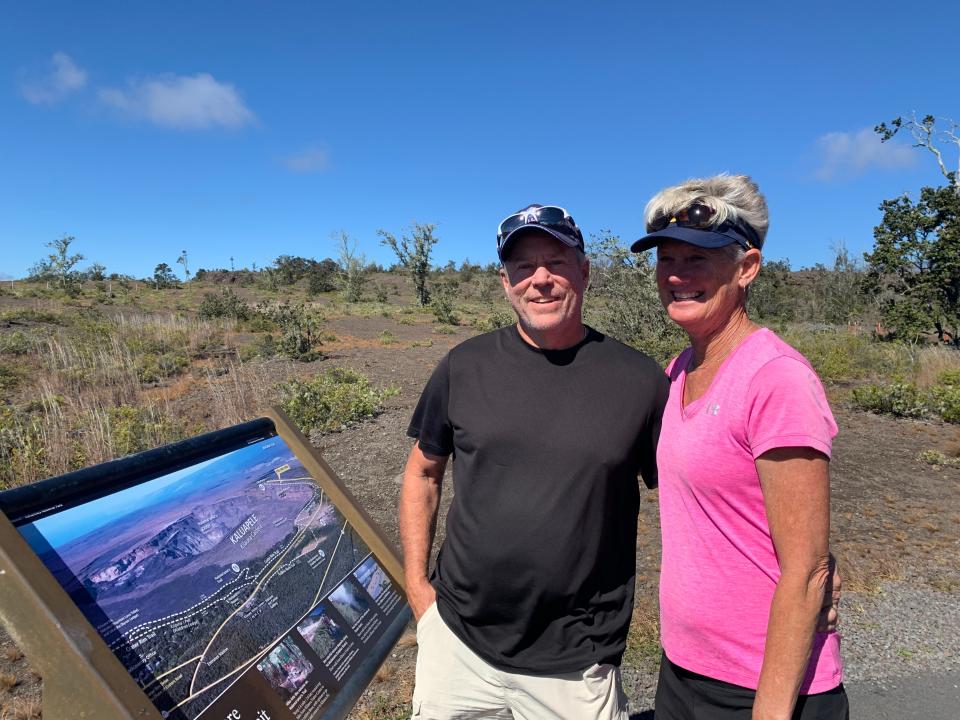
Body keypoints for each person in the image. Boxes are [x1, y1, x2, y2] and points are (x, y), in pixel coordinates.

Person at [399, 204, 669, 719]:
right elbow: (423, 471)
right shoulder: (464, 366)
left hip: (576, 661)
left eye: (556, 263)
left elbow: (690, 498)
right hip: (457, 644)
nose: (540, 280)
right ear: (505, 282)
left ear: (585, 272)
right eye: (523, 267)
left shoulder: (638, 381)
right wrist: (418, 589)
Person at [631, 174, 848, 719]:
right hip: (684, 671)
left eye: (698, 258)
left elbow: (805, 569)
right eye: (666, 259)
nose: (677, 274)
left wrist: (770, 711)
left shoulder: (776, 378)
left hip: (764, 687)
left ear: (747, 267)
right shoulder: (679, 370)